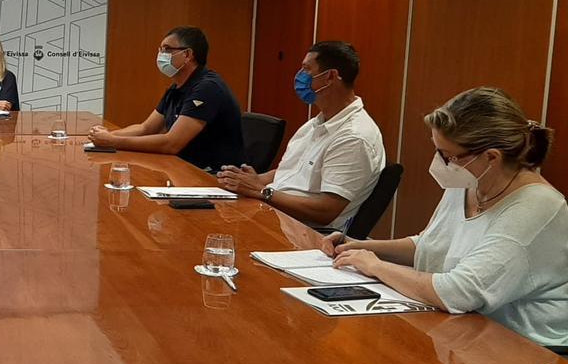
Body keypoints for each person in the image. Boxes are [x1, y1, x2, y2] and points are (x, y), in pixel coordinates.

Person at [324, 87, 567, 347]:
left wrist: (375, 266)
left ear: (491, 157)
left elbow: (459, 292)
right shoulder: (470, 180)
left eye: (447, 156)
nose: (440, 163)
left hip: (525, 350)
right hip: (463, 330)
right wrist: (358, 247)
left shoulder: (537, 208)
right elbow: (431, 245)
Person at [217, 41, 385, 231]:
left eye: (306, 69)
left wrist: (262, 191)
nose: (299, 76)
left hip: (304, 234)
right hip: (274, 215)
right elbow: (292, 171)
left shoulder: (354, 137)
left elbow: (326, 210)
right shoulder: (315, 124)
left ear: (330, 76)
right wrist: (252, 180)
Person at [88, 26, 246, 170]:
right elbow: (146, 128)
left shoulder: (207, 88)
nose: (161, 55)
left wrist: (113, 142)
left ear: (188, 55)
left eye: (167, 49)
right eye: (160, 50)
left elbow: (171, 144)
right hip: (184, 168)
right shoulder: (176, 88)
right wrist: (108, 135)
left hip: (213, 178)